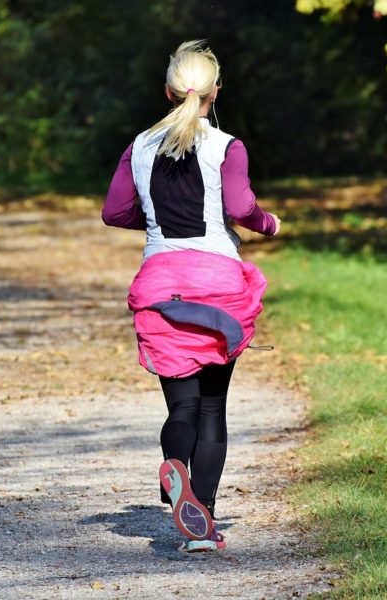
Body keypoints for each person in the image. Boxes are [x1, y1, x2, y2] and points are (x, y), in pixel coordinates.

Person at [102, 40, 280, 553]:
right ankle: (203, 519)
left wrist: (155, 221)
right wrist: (267, 224)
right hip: (218, 284)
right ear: (215, 91)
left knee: (182, 406)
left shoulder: (137, 146)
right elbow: (242, 205)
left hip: (161, 283)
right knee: (213, 409)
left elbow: (115, 213)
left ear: (167, 90)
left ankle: (174, 466)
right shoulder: (227, 146)